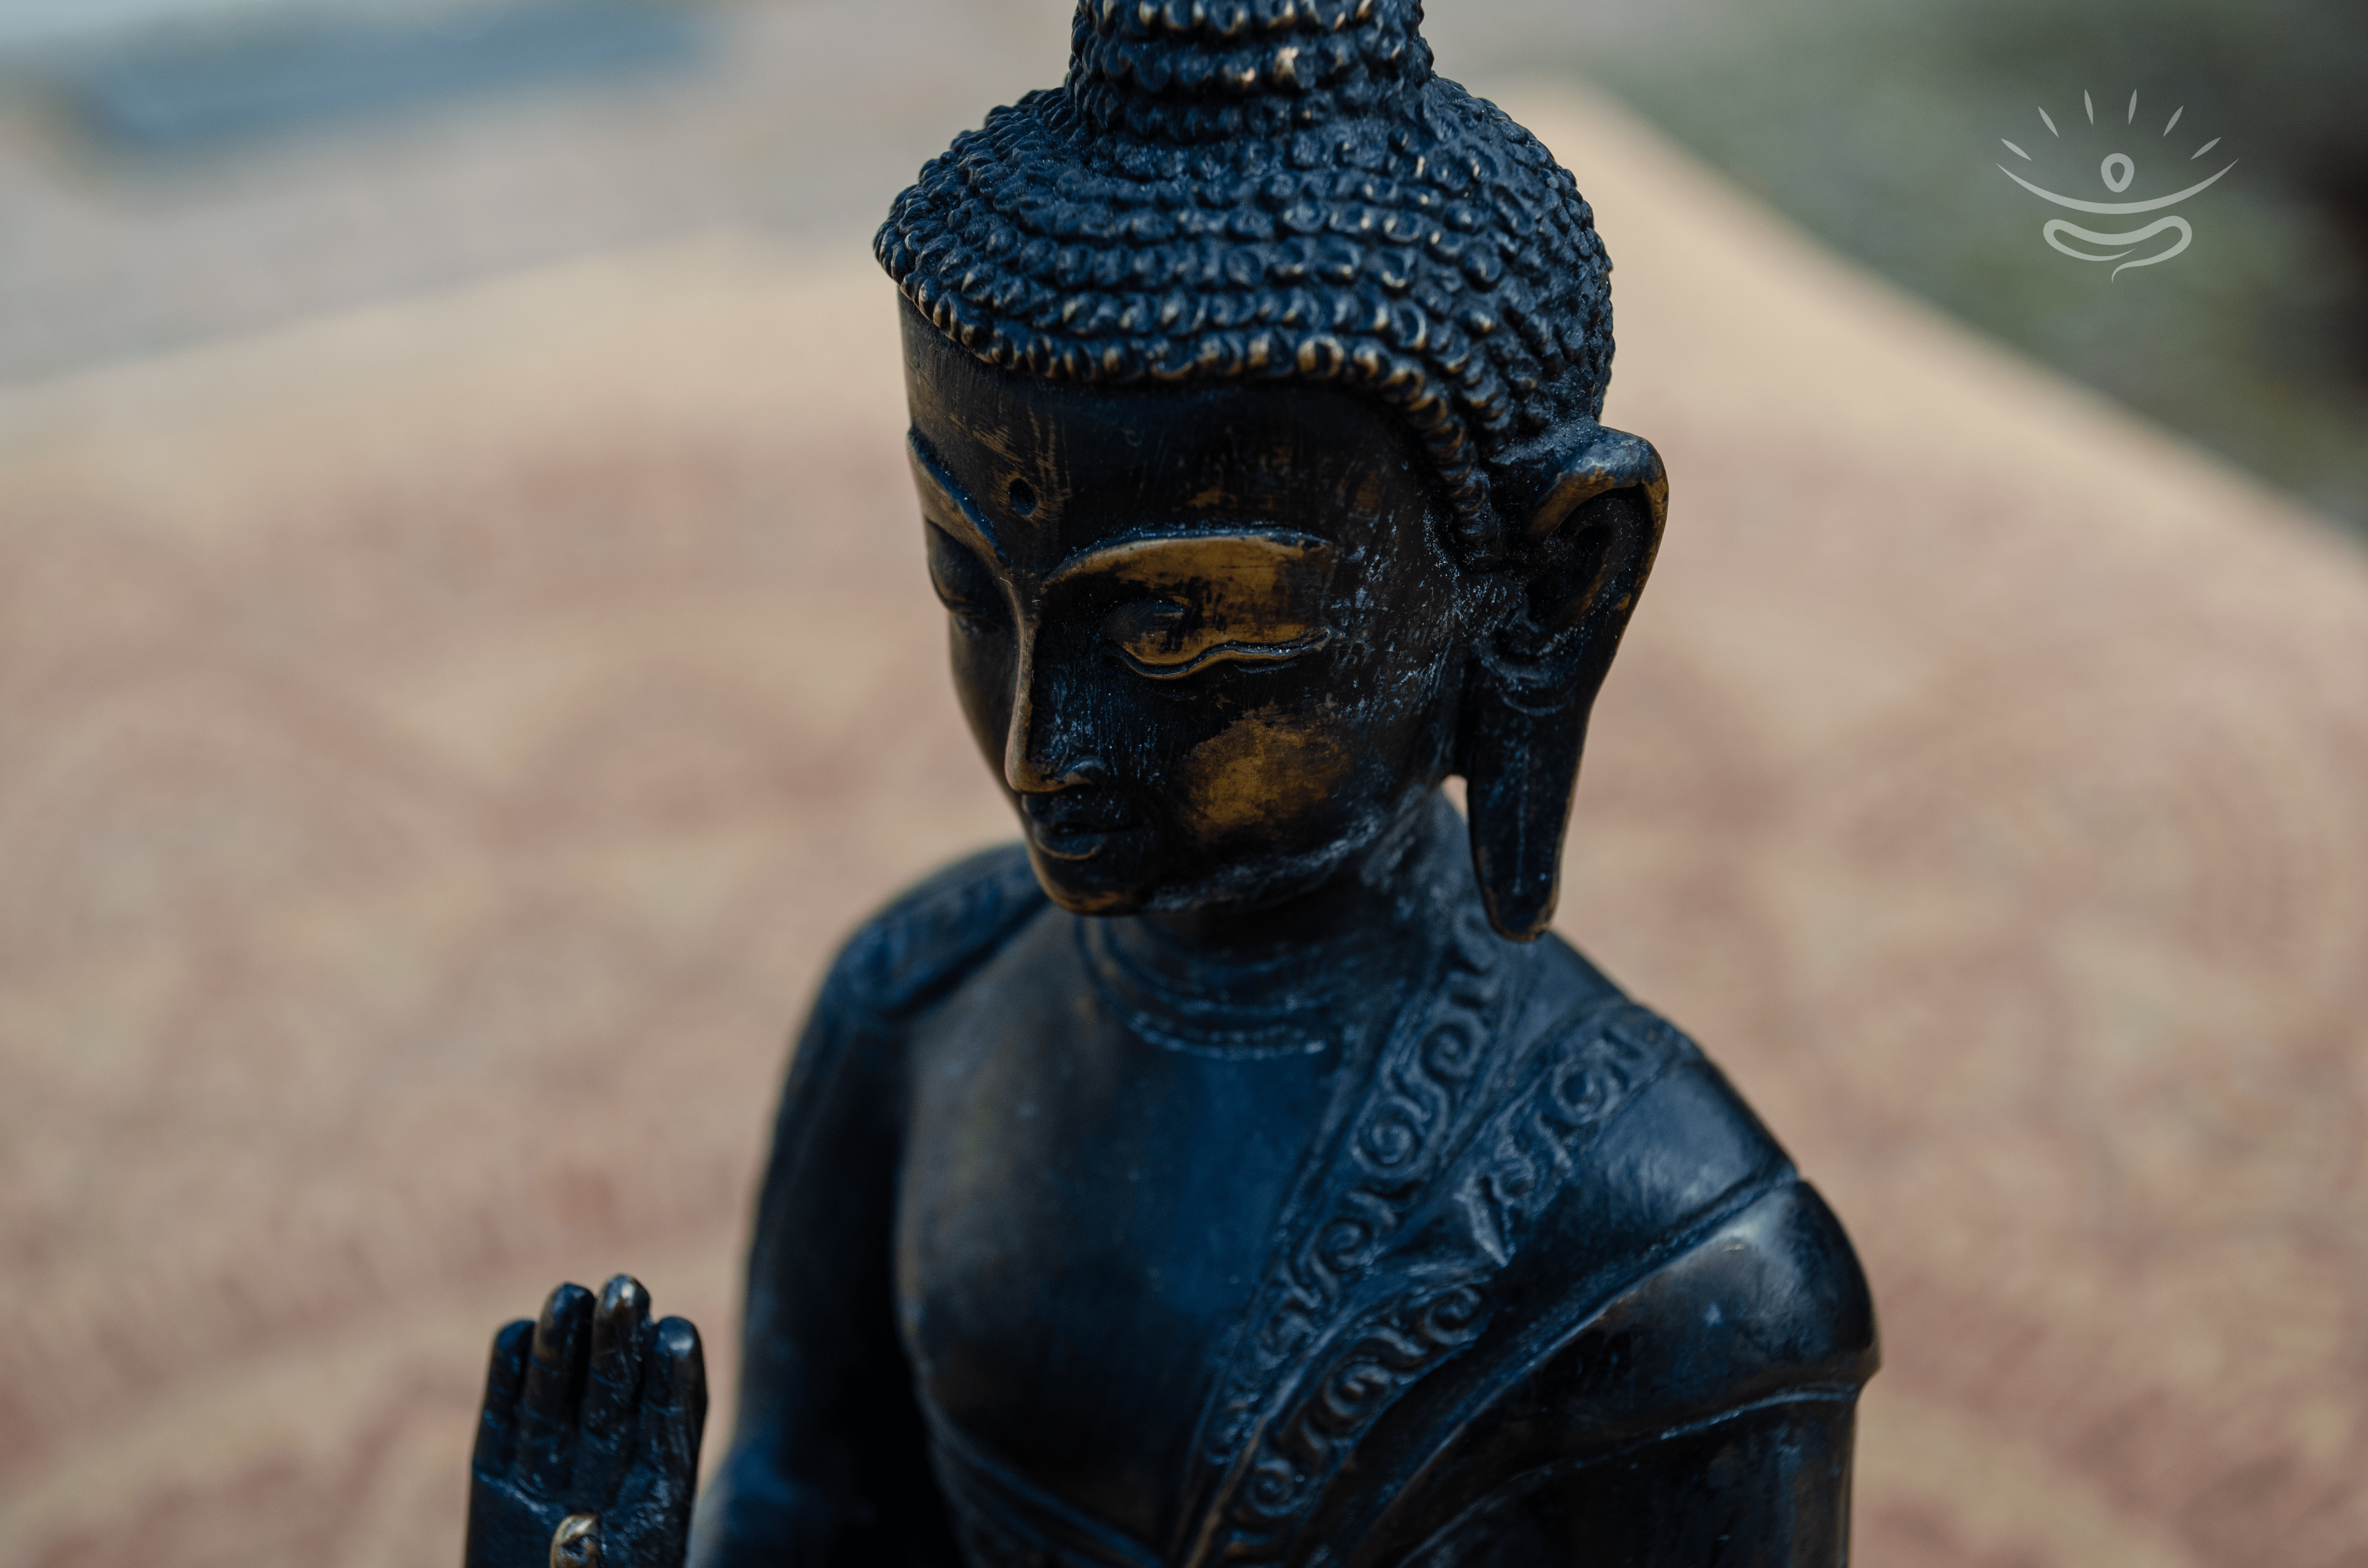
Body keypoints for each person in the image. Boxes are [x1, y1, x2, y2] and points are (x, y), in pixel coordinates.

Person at [465, 3, 1875, 1563]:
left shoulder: (1674, 1259)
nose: (1035, 748)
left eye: (1167, 629)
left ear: (1550, 584)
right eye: (967, 585)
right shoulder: (920, 1002)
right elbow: (812, 1516)